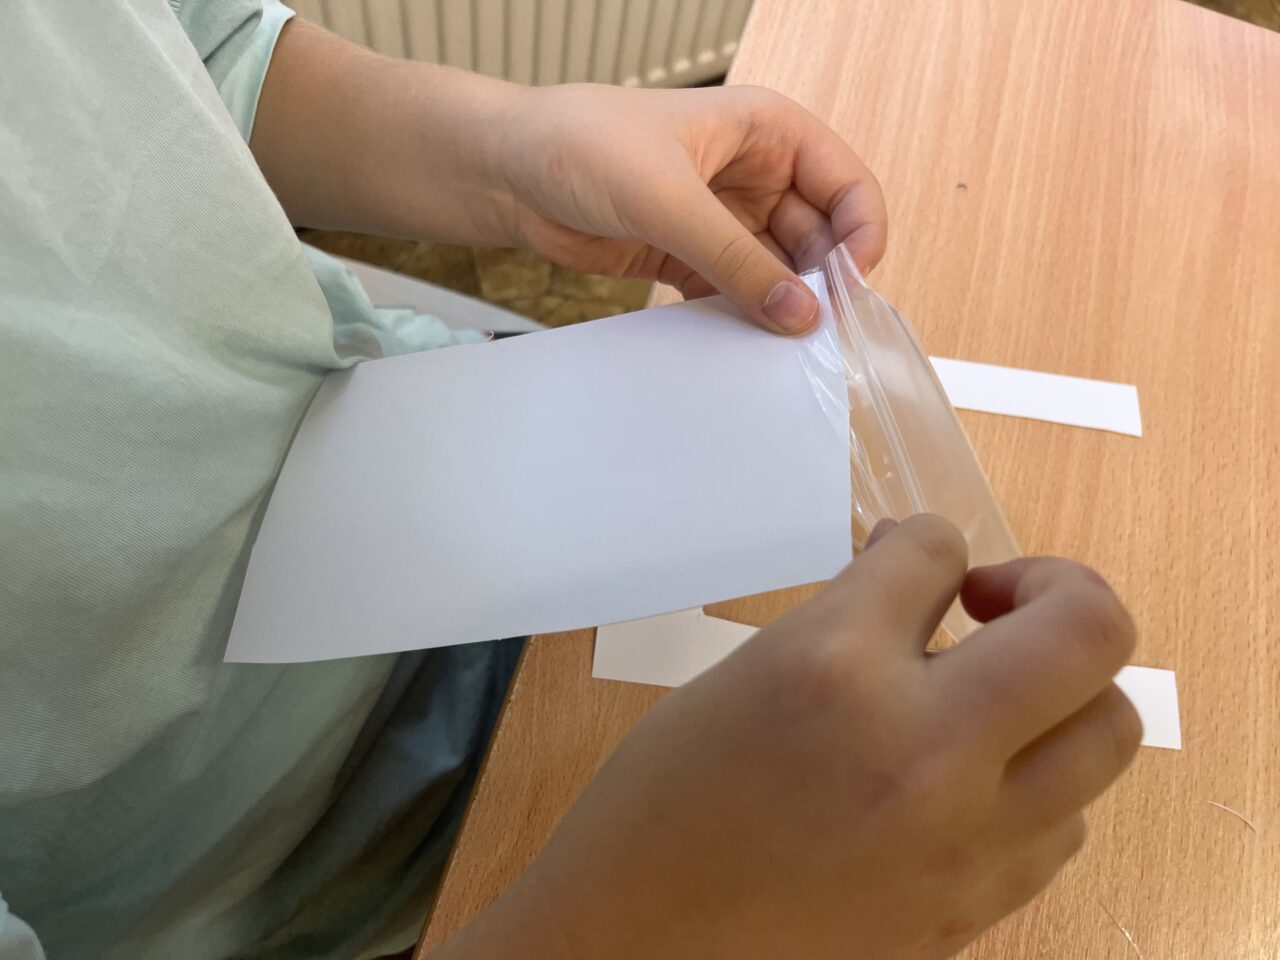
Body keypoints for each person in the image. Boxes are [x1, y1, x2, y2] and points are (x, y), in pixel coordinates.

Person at [0, 1, 1142, 958]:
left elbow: (170, 57)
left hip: (434, 456)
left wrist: (508, 151)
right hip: (295, 876)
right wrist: (651, 929)